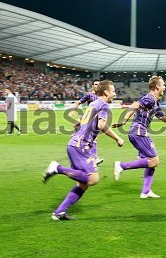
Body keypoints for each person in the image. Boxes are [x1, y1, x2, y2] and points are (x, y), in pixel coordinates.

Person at [42, 80, 124, 221]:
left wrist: (79, 124)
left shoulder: (93, 104)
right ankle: (57, 168)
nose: (115, 93)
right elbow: (101, 124)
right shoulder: (103, 105)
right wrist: (117, 138)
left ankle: (59, 212)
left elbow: (87, 121)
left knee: (83, 184)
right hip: (81, 146)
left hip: (76, 144)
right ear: (106, 92)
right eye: (113, 90)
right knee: (93, 179)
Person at [112, 76, 166, 198]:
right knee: (154, 160)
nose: (164, 87)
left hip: (138, 132)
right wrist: (123, 121)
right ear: (157, 87)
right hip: (138, 131)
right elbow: (135, 105)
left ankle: (146, 191)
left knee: (151, 163)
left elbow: (165, 119)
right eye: (163, 85)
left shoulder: (155, 103)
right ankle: (121, 166)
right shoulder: (150, 98)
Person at [70, 79, 104, 165]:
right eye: (96, 84)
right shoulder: (89, 95)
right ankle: (94, 158)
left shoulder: (101, 96)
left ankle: (77, 140)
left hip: (95, 118)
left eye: (99, 84)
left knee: (93, 137)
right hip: (89, 117)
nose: (97, 86)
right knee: (77, 126)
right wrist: (74, 110)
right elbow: (78, 102)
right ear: (92, 86)